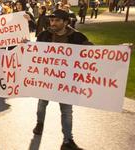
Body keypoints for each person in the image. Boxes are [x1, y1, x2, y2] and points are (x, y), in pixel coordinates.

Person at [33, 9, 93, 150]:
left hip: (67, 81)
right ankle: (39, 123)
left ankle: (67, 141)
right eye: (52, 20)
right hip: (46, 78)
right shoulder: (44, 35)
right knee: (42, 104)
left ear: (66, 22)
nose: (53, 23)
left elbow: (94, 53)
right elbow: (34, 52)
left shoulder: (77, 38)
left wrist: (121, 50)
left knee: (66, 111)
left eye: (57, 20)